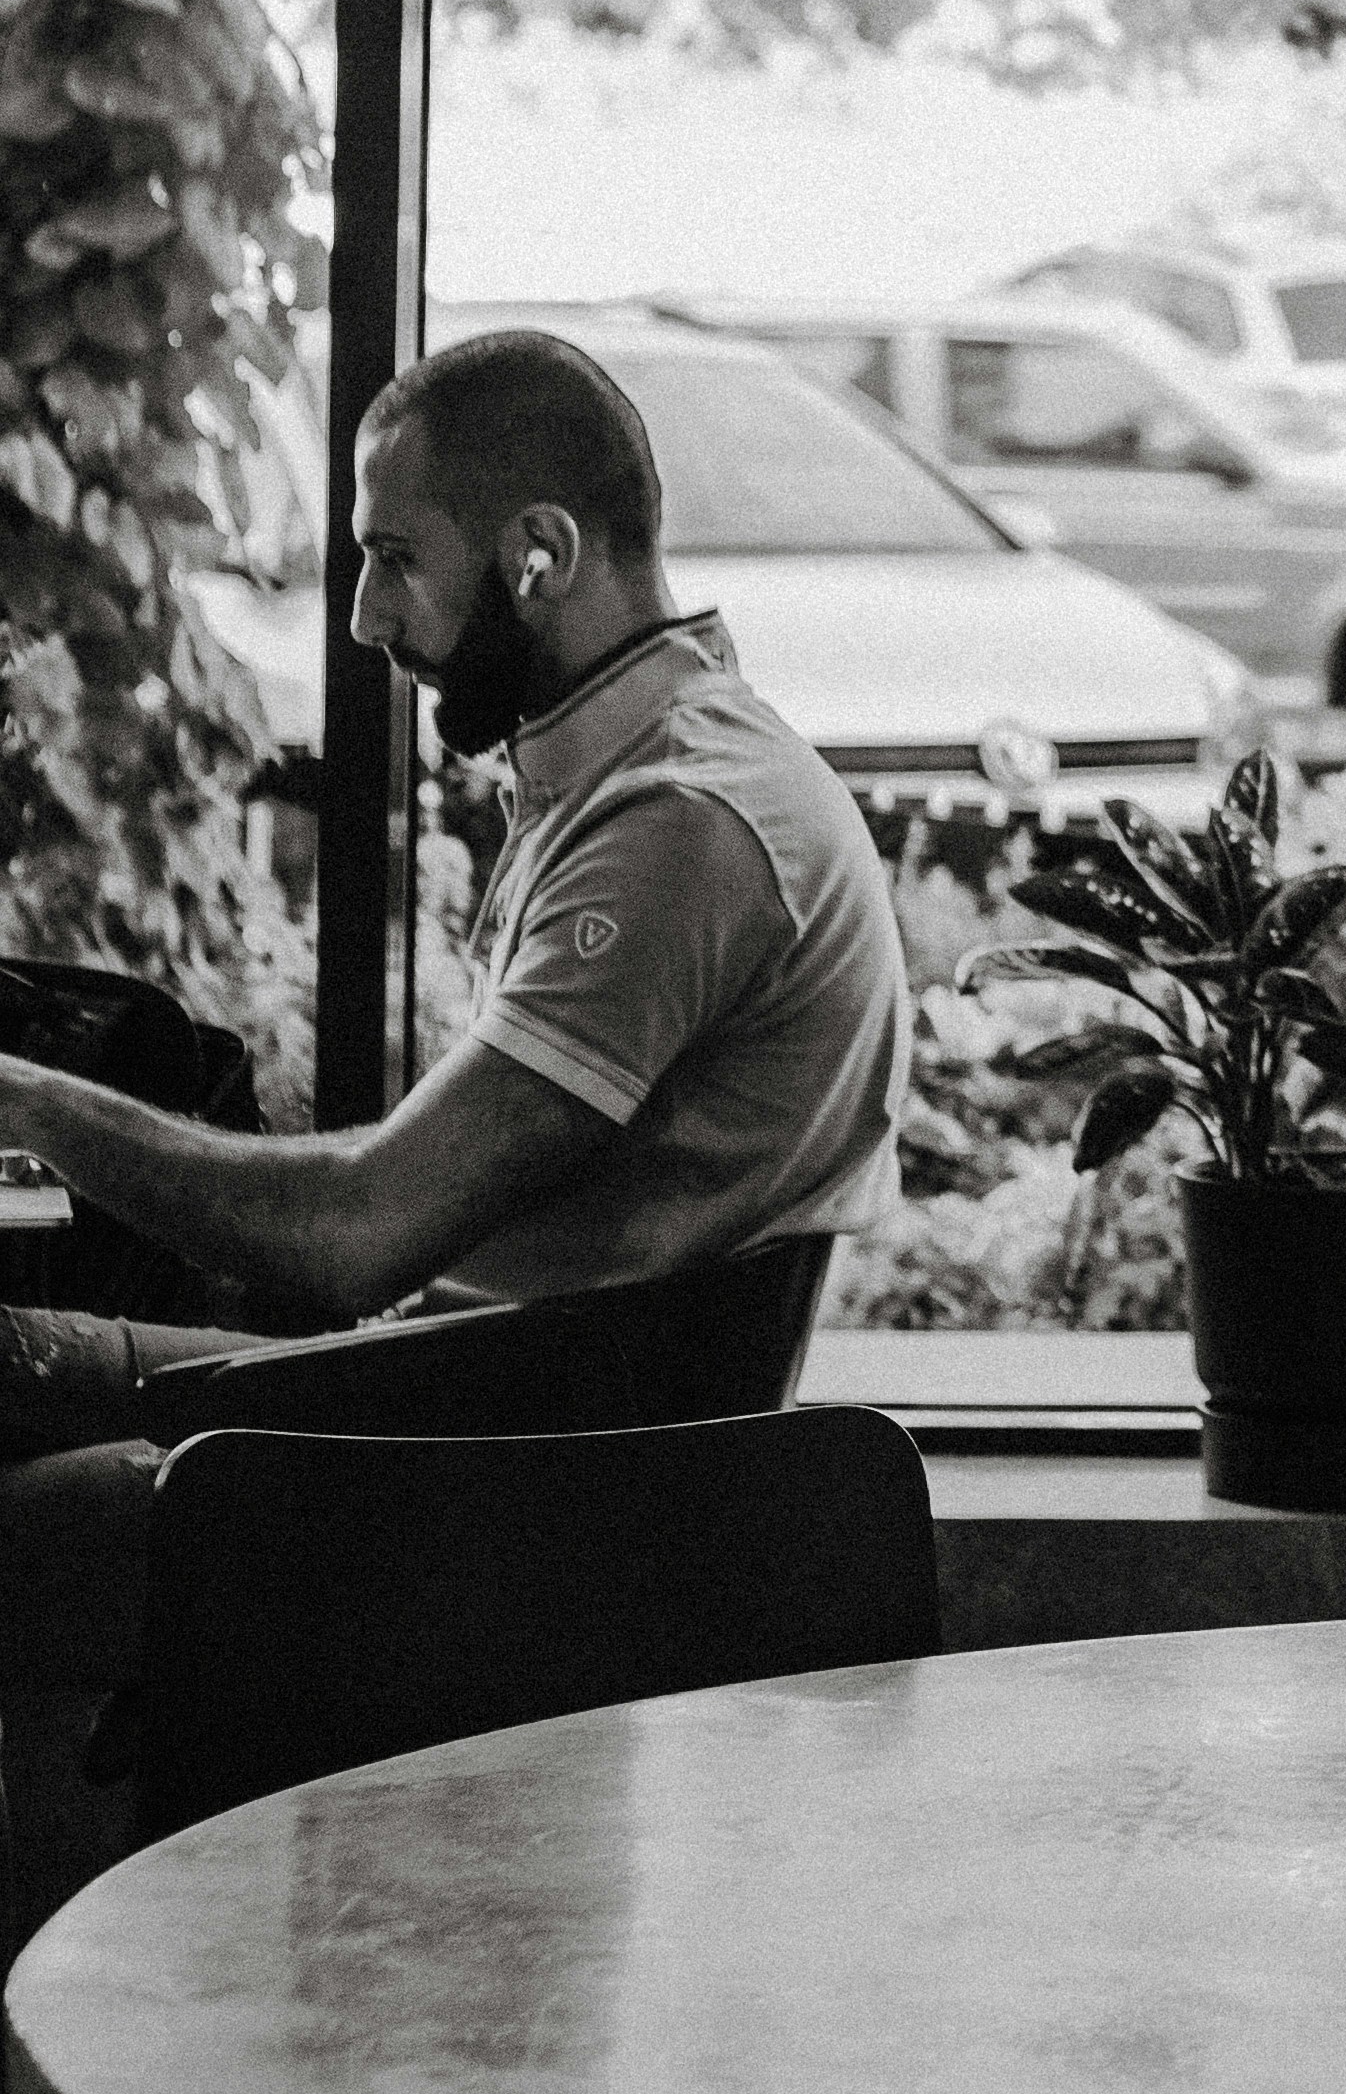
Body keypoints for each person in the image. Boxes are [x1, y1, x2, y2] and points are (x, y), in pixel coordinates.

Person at [0, 328, 907, 1463]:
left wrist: (29, 1107)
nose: (365, 618)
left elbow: (357, 1235)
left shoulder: (680, 827)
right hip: (472, 1391)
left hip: (480, 1458)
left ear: (539, 553)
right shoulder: (643, 773)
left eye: (396, 559)